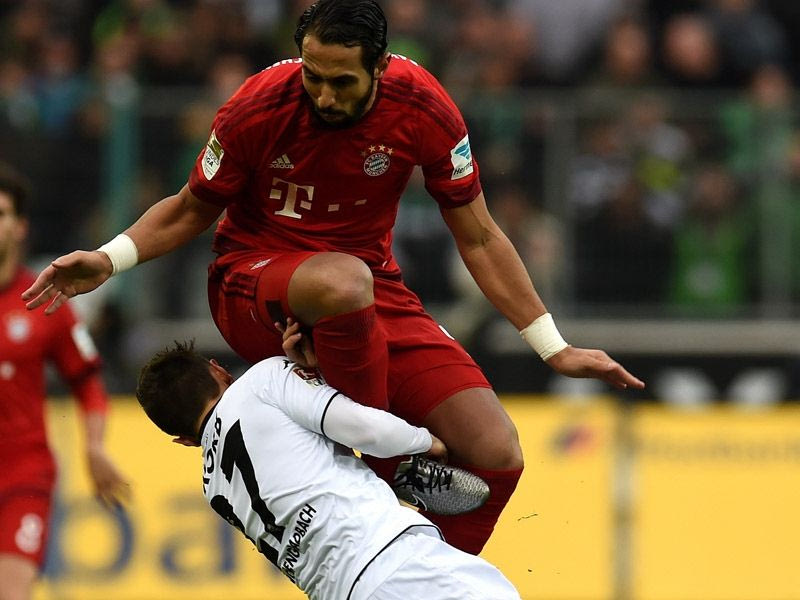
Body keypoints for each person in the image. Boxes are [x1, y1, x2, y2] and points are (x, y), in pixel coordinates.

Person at [22, 0, 644, 554]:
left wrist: (553, 348)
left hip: (369, 292)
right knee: (343, 282)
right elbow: (190, 209)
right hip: (251, 282)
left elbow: (479, 235)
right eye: (312, 77)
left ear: (380, 67)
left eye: (342, 82)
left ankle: (418, 577)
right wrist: (109, 258)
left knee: (496, 453)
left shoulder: (424, 107)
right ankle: (385, 466)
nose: (323, 96)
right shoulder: (258, 105)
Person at [135, 327, 521, 600]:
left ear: (184, 440)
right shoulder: (260, 381)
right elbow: (362, 427)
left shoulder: (213, 487)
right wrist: (424, 441)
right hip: (393, 564)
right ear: (219, 370)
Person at [0, 162, 130, 600]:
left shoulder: (43, 300)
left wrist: (94, 445)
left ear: (20, 227)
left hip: (23, 475)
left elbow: (88, 380)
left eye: (0, 214)